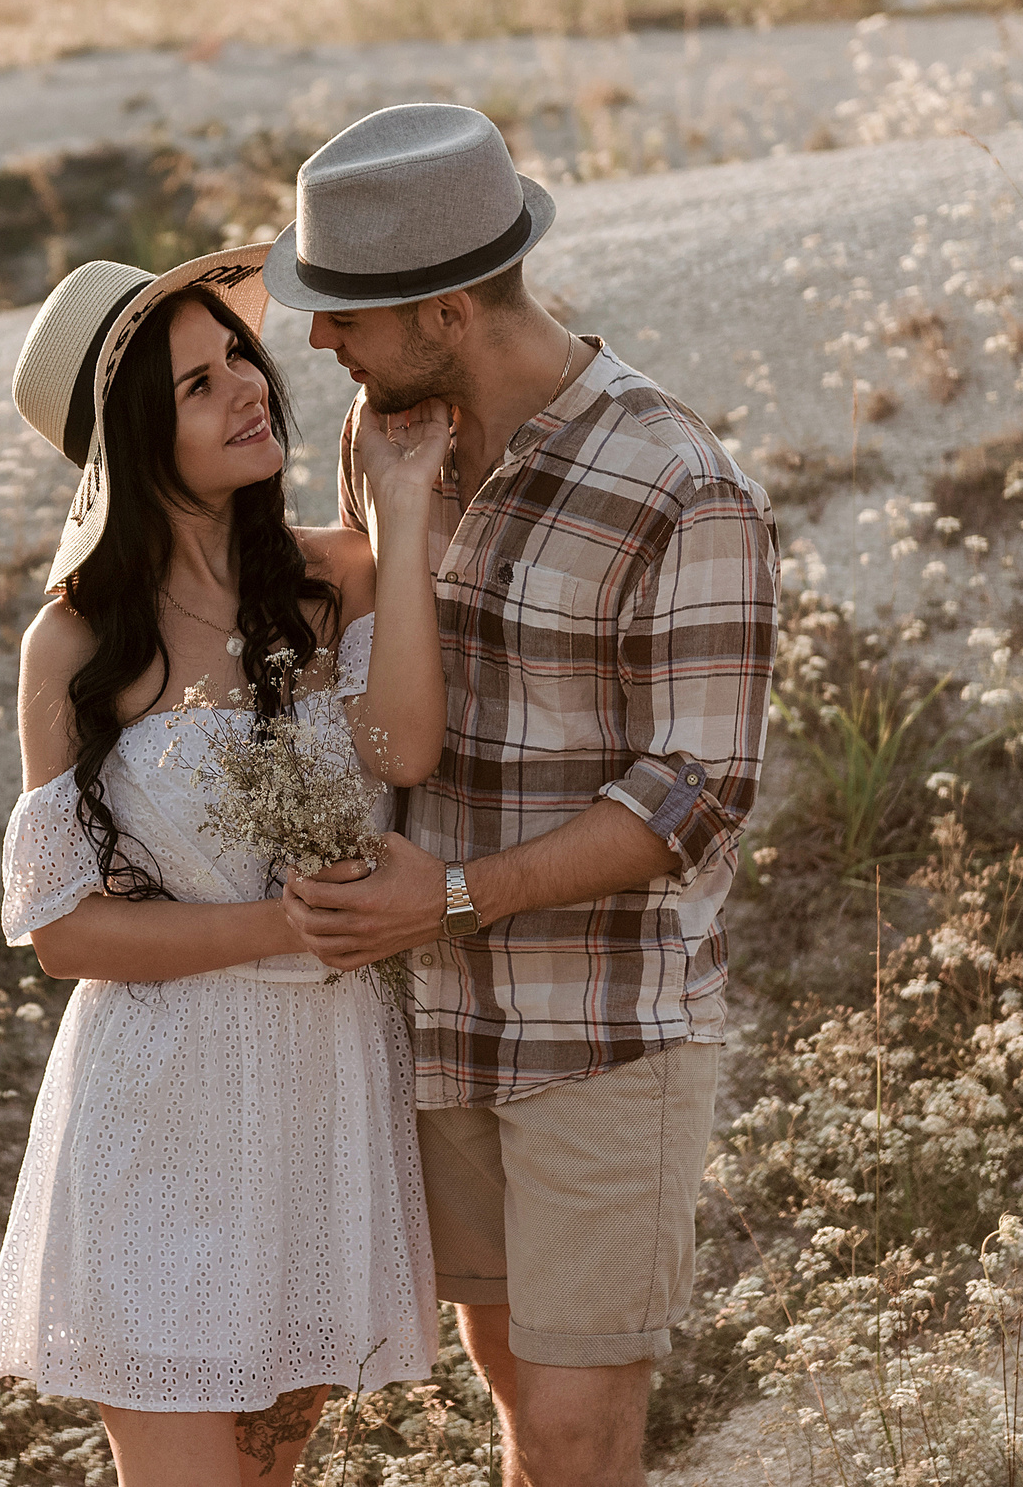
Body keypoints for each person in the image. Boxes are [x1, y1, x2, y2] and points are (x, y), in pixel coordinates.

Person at [264, 104, 780, 1487]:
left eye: (343, 315)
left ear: (443, 311)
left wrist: (438, 899)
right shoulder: (386, 446)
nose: (317, 341)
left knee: (572, 1424)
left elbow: (695, 798)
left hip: (600, 1026)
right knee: (506, 1386)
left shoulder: (680, 485)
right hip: (430, 1021)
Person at [0, 243, 454, 1486]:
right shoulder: (75, 638)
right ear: (132, 437)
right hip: (157, 1103)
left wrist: (396, 524)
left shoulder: (329, 575)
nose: (247, 384)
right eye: (194, 383)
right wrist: (285, 929)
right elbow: (66, 933)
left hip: (318, 1097)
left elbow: (404, 741)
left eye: (237, 354)